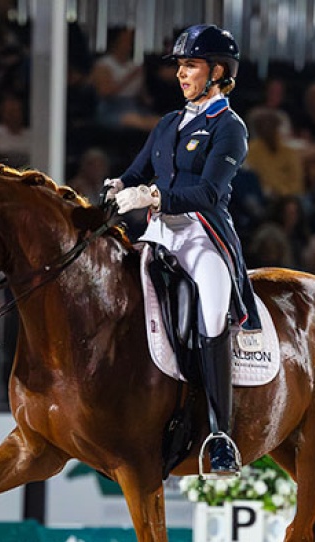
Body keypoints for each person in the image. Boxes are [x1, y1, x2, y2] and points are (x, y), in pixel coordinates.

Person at [104, 24, 260, 477]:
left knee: (212, 312)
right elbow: (135, 173)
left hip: (203, 236)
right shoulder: (168, 124)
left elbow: (209, 193)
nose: (181, 74)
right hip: (159, 235)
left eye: (190, 65)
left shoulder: (229, 128)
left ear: (217, 72)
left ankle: (221, 434)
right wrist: (118, 185)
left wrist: (152, 197)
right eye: (180, 66)